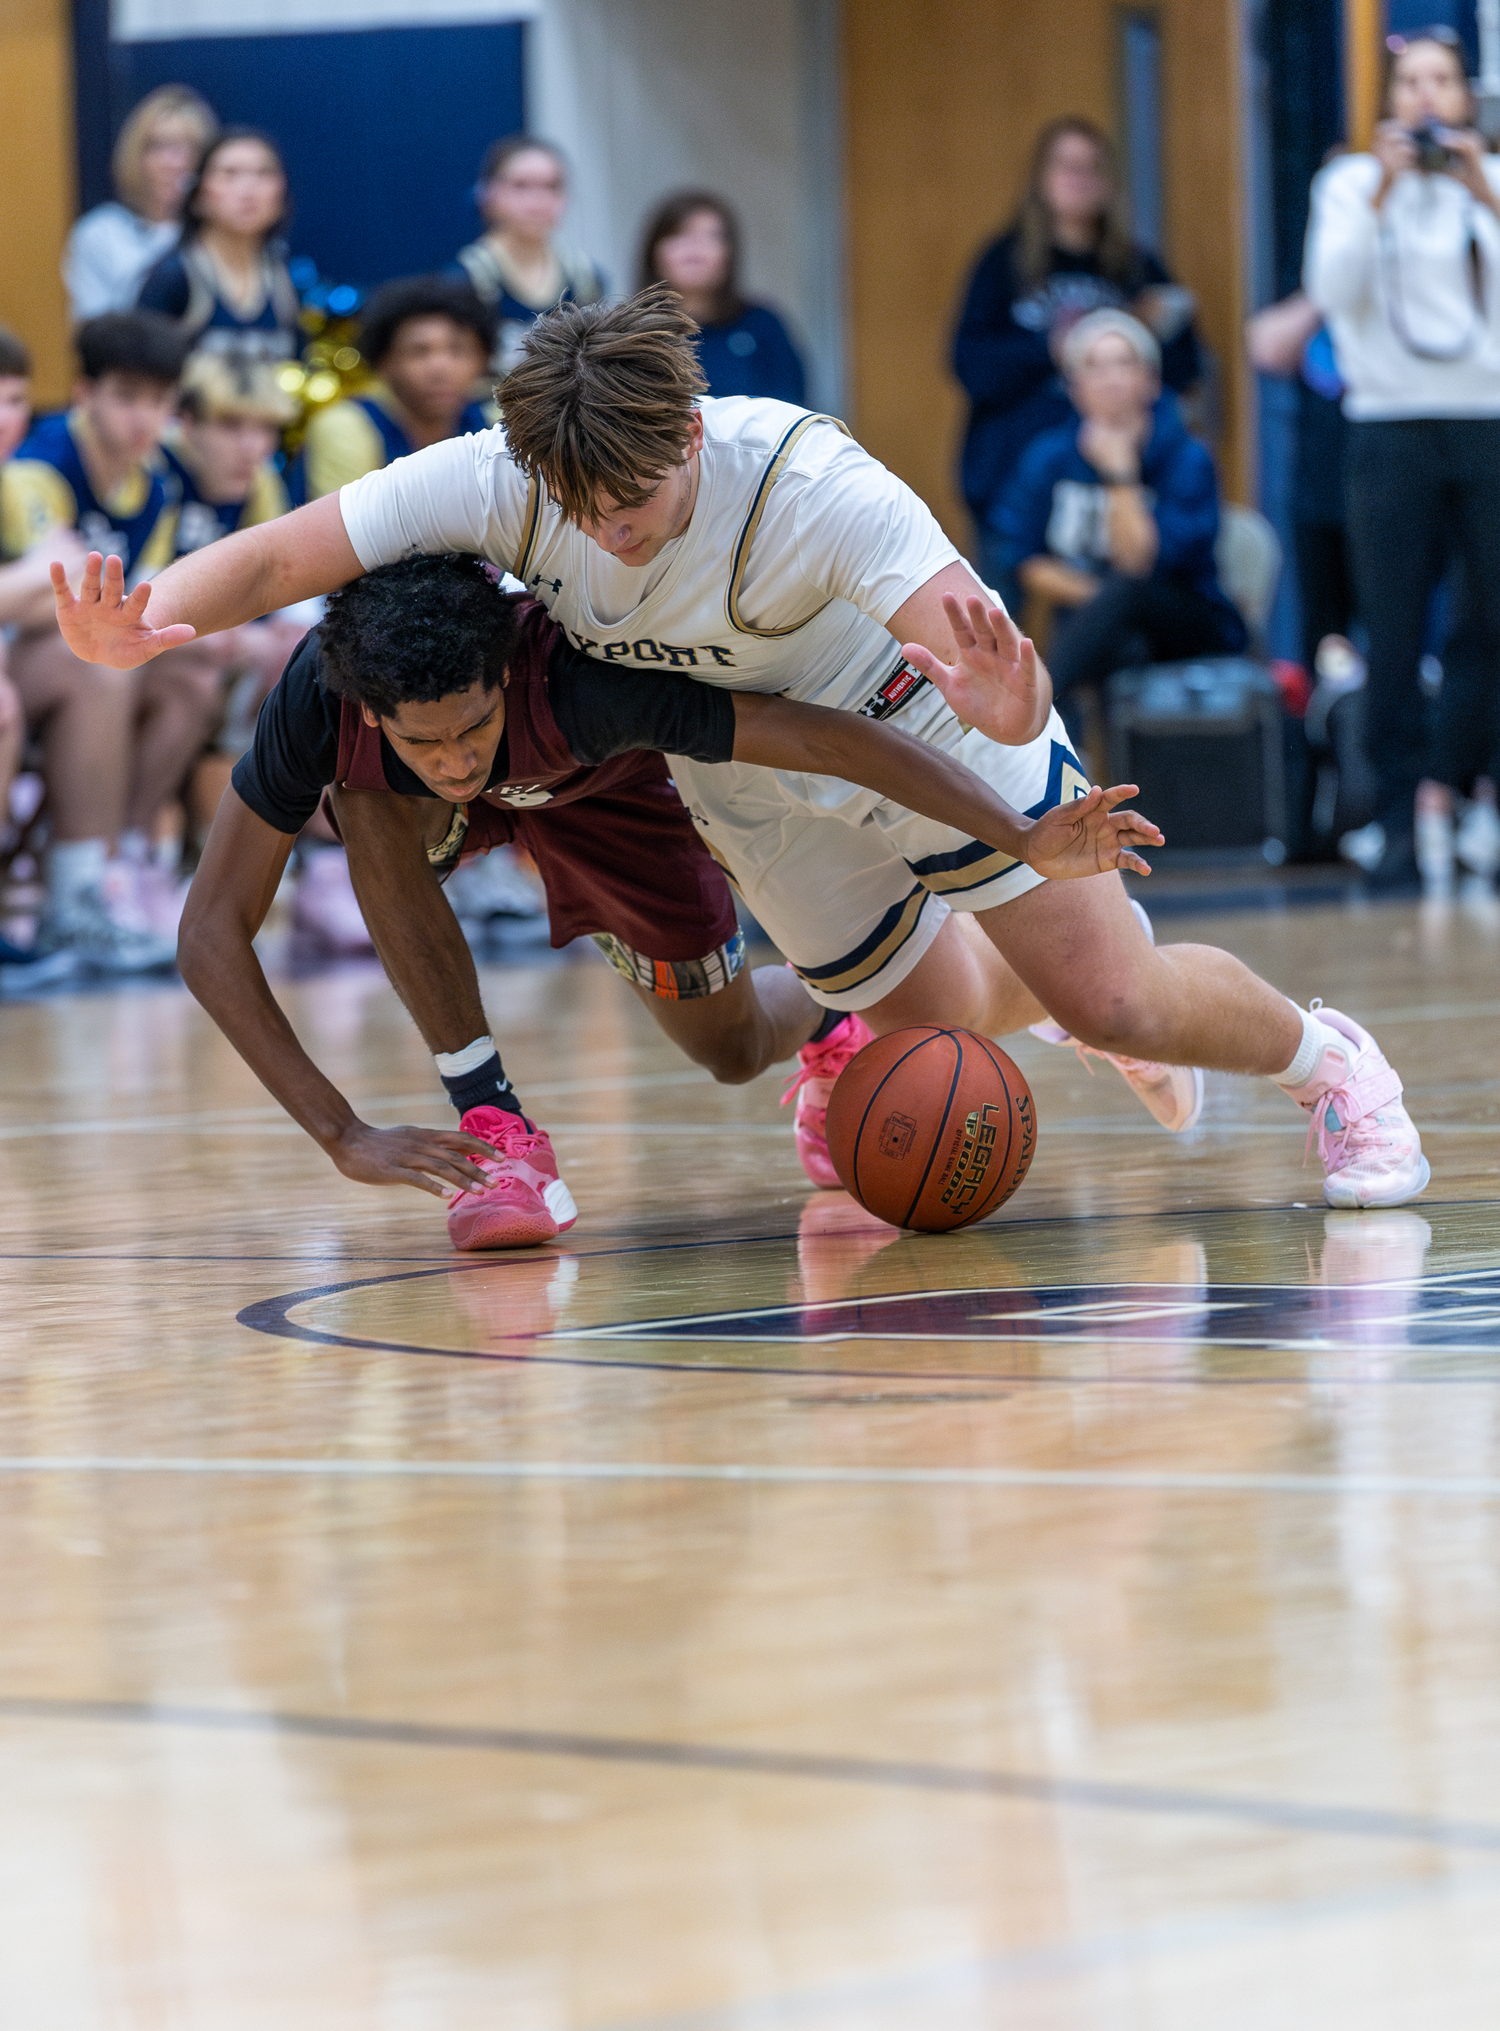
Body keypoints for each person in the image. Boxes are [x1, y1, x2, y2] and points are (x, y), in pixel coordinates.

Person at [55, 288, 1431, 1211]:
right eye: (577, 509)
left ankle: (1328, 1061)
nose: (609, 533)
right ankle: (1013, 1002)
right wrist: (150, 622)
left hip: (914, 722)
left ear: (693, 432)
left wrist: (1014, 724)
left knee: (1118, 996)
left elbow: (976, 658)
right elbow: (282, 552)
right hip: (748, 773)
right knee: (943, 1019)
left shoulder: (813, 485)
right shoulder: (507, 475)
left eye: (637, 501)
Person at [181, 549, 1158, 1244]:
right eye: (421, 740)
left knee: (728, 1049)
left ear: (504, 673)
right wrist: (340, 1131)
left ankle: (841, 1005)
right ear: (367, 705)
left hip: (609, 789)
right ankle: (498, 1130)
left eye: (469, 729)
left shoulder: (586, 677)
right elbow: (211, 933)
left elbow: (826, 740)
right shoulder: (322, 697)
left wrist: (1020, 833)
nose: (452, 759)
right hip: (420, 806)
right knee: (368, 799)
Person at [1305, 27, 1500, 893]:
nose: (1426, 96)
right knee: (1392, 625)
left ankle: (1464, 793)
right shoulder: (1349, 182)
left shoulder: (1489, 180)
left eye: (1443, 81)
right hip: (1387, 426)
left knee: (1493, 624)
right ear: (1389, 98)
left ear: (1467, 96)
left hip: (1488, 420)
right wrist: (1383, 188)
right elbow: (1330, 291)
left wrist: (1482, 194)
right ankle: (1387, 816)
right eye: (1411, 81)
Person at [2, 312, 220, 968]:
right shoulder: (36, 471)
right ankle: (74, 893)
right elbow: (51, 596)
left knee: (192, 670)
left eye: (159, 401)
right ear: (83, 394)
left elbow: (126, 597)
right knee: (94, 658)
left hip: (41, 650)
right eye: (127, 396)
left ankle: (113, 868)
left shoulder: (157, 484)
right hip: (27, 658)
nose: (143, 418)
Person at [954, 117, 1203, 597]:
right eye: (1065, 166)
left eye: (1091, 168)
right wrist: (1054, 348)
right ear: (1041, 179)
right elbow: (970, 365)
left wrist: (1140, 332)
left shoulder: (1135, 266)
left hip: (1111, 475)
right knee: (1000, 620)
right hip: (1011, 473)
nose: (1078, 179)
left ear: (1109, 183)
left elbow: (1184, 368)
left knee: (1115, 607)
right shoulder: (1003, 261)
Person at [998, 310, 1246, 749]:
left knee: (1129, 592)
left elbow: (1140, 564)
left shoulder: (1187, 458)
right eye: (1094, 365)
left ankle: (1033, 713)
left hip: (1190, 624)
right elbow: (1027, 561)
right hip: (1106, 630)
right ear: (1074, 387)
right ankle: (1108, 797)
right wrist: (1105, 605)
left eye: (1123, 362)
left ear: (1150, 380)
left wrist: (1119, 473)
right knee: (1123, 643)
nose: (1110, 378)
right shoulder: (1048, 457)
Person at [0, 329, 85, 988]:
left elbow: (75, 577)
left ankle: (84, 892)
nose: (5, 418)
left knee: (95, 662)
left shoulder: (27, 480)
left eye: (16, 400)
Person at [297, 275, 497, 500]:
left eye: (457, 350)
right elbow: (344, 532)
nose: (440, 369)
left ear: (482, 360)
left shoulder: (498, 424)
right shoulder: (344, 426)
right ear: (383, 362)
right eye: (419, 352)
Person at [137, 128, 300, 363]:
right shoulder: (172, 277)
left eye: (264, 173)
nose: (249, 189)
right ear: (198, 194)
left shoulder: (288, 279)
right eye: (230, 173)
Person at [63, 85, 217, 323]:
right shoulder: (102, 234)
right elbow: (96, 335)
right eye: (160, 146)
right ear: (137, 156)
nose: (175, 163)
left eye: (191, 148)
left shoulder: (226, 234)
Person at [454, 136, 605, 378]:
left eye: (551, 186)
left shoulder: (586, 276)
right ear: (487, 194)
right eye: (521, 186)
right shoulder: (463, 279)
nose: (538, 200)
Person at [639, 191, 806, 405]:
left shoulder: (763, 325)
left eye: (710, 236)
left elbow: (792, 408)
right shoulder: (629, 334)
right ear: (654, 253)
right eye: (679, 235)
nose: (694, 248)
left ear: (729, 255)